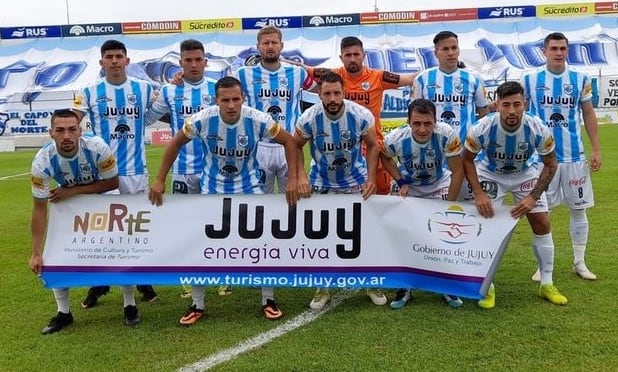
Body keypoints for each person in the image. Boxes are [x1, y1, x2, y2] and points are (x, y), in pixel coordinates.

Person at [148, 76, 298, 323]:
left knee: (262, 245)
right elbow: (175, 142)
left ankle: (268, 299)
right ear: (216, 100)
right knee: (200, 247)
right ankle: (197, 305)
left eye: (235, 99)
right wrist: (159, 179)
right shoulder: (202, 120)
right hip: (212, 192)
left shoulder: (258, 119)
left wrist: (292, 178)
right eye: (225, 100)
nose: (231, 105)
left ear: (243, 99)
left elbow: (289, 142)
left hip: (250, 190)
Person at [299, 36, 416, 305]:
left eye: (356, 54)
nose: (352, 59)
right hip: (330, 167)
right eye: (347, 55)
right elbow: (300, 71)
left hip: (370, 158)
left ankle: (374, 279)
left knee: (370, 225)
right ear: (341, 57)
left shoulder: (378, 76)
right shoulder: (332, 78)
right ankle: (323, 285)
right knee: (324, 231)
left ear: (363, 55)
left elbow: (411, 80)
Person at [462, 81, 568, 309]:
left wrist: (532, 197)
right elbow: (467, 160)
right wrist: (479, 193)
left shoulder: (538, 127)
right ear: (497, 105)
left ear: (525, 104)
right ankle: (486, 285)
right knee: (486, 224)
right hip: (490, 173)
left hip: (525, 173)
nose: (512, 110)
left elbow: (550, 164)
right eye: (506, 104)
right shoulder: (482, 127)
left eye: (517, 104)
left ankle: (547, 283)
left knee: (542, 222)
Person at [73, 39, 158, 310]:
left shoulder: (144, 89)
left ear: (127, 61)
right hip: (104, 175)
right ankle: (101, 282)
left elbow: (161, 110)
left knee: (136, 230)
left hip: (136, 172)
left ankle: (141, 281)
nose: (114, 61)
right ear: (101, 62)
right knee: (104, 232)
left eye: (118, 56)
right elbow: (70, 122)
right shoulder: (88, 91)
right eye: (108, 56)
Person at [234, 26, 315, 303]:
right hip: (257, 149)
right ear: (258, 46)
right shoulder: (242, 75)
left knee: (296, 204)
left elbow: (322, 83)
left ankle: (298, 257)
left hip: (288, 146)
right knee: (258, 208)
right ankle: (257, 260)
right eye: (265, 42)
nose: (270, 46)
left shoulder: (297, 73)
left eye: (274, 42)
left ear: (282, 46)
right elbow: (223, 95)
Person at [144, 39, 225, 299]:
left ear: (205, 61)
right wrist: (152, 93)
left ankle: (222, 275)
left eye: (197, 59)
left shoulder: (217, 90)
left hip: (214, 171)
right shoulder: (170, 91)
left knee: (217, 224)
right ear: (180, 63)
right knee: (185, 226)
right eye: (187, 60)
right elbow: (146, 118)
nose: (192, 64)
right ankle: (190, 278)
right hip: (181, 169)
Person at [29, 109, 123, 333]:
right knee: (55, 253)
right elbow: (40, 209)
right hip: (68, 200)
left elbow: (113, 184)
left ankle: (129, 304)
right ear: (51, 133)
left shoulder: (98, 147)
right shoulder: (41, 162)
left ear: (81, 131)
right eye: (60, 130)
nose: (67, 135)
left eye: (72, 129)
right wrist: (35, 252)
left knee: (118, 250)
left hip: (102, 196)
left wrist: (75, 192)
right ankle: (64, 313)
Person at [293, 71, 378, 310]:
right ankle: (323, 287)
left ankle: (370, 281)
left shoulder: (360, 115)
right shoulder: (308, 118)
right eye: (327, 93)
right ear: (319, 94)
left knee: (361, 235)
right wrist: (300, 176)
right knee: (323, 237)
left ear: (343, 93)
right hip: (322, 183)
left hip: (356, 182)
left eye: (337, 93)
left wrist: (371, 178)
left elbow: (372, 146)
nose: (332, 98)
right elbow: (295, 145)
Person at [522, 32, 602, 281]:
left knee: (579, 210)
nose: (559, 52)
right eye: (554, 48)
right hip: (540, 160)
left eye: (563, 48)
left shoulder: (580, 79)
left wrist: (596, 149)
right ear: (544, 51)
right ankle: (543, 265)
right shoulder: (530, 79)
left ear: (567, 51)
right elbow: (521, 116)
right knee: (542, 214)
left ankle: (580, 262)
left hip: (574, 158)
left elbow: (588, 114)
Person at [380, 98, 465, 309]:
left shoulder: (447, 134)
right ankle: (405, 286)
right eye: (416, 123)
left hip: (438, 183)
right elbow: (385, 157)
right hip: (410, 186)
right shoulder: (396, 138)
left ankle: (446, 286)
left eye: (428, 123)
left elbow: (458, 171)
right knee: (403, 234)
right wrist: (399, 181)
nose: (422, 129)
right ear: (408, 122)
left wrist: (449, 206)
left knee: (443, 235)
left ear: (435, 122)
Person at [413, 31, 490, 143]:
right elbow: (414, 114)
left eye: (454, 48)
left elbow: (483, 113)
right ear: (436, 53)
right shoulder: (422, 79)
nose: (451, 53)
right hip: (434, 145)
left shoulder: (474, 78)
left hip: (465, 145)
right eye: (445, 49)